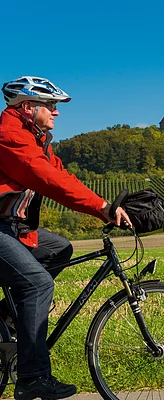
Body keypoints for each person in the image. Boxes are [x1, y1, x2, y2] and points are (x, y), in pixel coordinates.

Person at [0, 76, 132, 400]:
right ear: (29, 107)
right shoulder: (10, 135)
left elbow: (63, 175)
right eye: (52, 106)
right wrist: (100, 207)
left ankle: (5, 321)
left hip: (14, 227)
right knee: (37, 284)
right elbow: (48, 180)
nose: (57, 113)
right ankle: (32, 379)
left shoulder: (37, 138)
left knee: (60, 248)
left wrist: (110, 206)